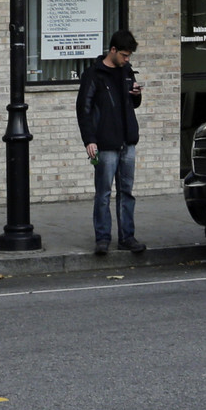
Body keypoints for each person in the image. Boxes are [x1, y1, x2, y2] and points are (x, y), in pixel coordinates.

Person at [76, 28, 144, 256]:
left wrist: (137, 95)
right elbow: (83, 109)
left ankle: (127, 236)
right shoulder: (94, 74)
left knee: (127, 191)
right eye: (124, 55)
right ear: (112, 50)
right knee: (103, 193)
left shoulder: (127, 72)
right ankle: (102, 238)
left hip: (127, 140)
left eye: (129, 56)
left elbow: (134, 105)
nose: (127, 59)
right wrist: (89, 140)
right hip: (105, 143)